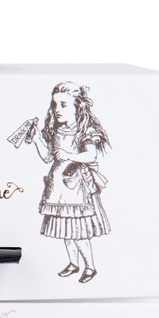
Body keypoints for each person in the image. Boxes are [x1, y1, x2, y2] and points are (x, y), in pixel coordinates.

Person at [29, 82, 111, 283]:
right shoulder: (57, 130)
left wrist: (68, 155)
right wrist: (37, 139)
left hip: (77, 187)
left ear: (77, 107)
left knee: (79, 232)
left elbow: (90, 155)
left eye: (64, 105)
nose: (57, 109)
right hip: (58, 188)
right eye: (55, 104)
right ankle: (74, 264)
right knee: (67, 231)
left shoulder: (86, 130)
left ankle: (90, 267)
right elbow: (48, 157)